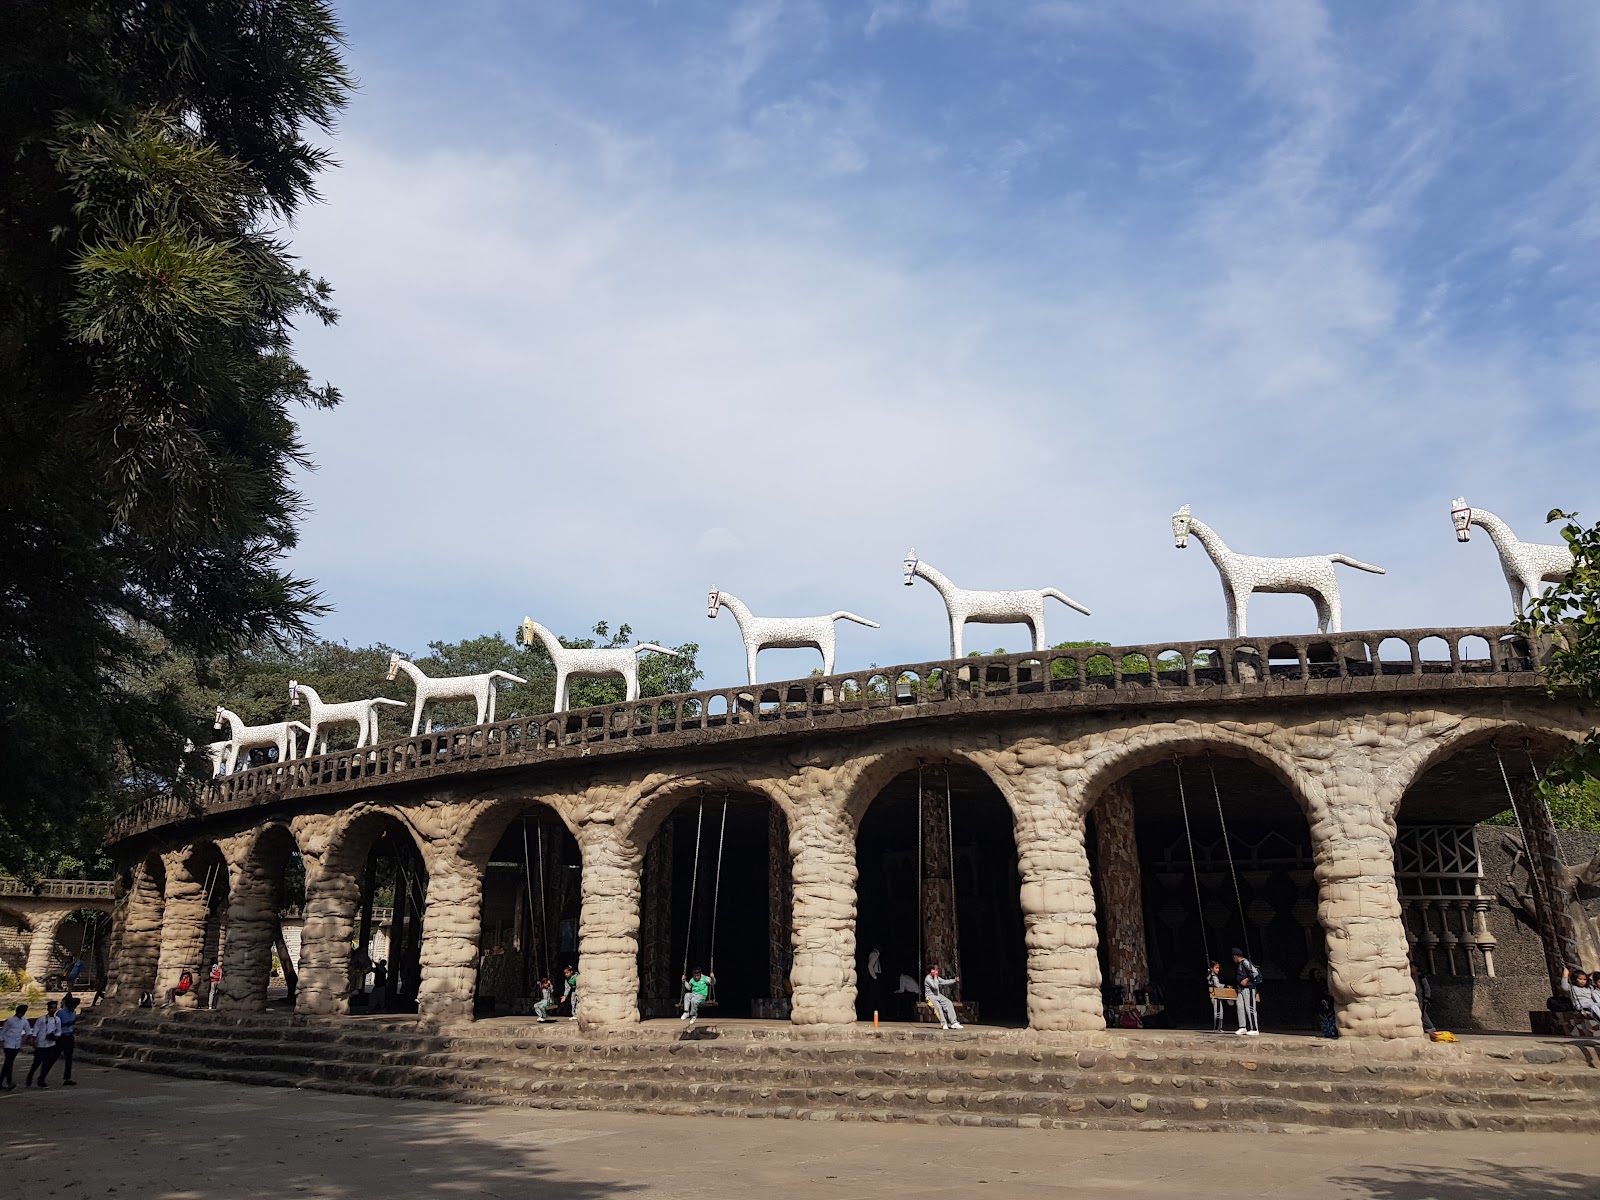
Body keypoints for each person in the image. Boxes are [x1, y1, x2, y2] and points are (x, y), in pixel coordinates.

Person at [25, 999, 60, 1087]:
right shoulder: (42, 1019)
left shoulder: (57, 1019)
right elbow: (35, 1029)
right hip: (41, 1043)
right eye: (51, 1008)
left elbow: (59, 1031)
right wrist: (33, 1039)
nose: (53, 1010)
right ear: (48, 1009)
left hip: (51, 1043)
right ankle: (30, 1076)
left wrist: (56, 1036)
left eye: (54, 1008)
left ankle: (42, 1079)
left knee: (47, 1062)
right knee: (37, 1062)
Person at [1231, 948, 1261, 1036]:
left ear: (1236, 957)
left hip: (1249, 988)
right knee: (1240, 1006)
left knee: (1250, 1008)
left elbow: (1255, 973)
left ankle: (1254, 1028)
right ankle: (1242, 1027)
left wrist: (1247, 979)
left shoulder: (1245, 962)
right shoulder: (1239, 965)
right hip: (1241, 988)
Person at [0, 1004, 30, 1090]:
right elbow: (3, 1031)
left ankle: (1, 1081)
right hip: (8, 1043)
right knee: (9, 1063)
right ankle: (9, 1081)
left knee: (8, 1063)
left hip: (17, 1044)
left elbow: (28, 1030)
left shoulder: (24, 1020)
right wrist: (1, 1041)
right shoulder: (10, 1020)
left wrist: (29, 1038)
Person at [923, 964, 962, 1030]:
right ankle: (944, 1023)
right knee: (938, 1007)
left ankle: (954, 1022)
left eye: (937, 970)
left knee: (948, 1002)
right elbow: (935, 986)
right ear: (931, 971)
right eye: (935, 970)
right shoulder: (928, 978)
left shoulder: (937, 978)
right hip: (930, 997)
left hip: (938, 995)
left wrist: (954, 980)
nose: (937, 971)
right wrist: (935, 976)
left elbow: (944, 982)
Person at [56, 995, 79, 1085]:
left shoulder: (73, 1013)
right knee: (53, 1057)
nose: (73, 1008)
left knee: (69, 1058)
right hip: (61, 1036)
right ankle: (43, 1076)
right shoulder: (60, 1013)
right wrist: (67, 1024)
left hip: (69, 1036)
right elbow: (56, 1026)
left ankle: (67, 1077)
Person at [1206, 961, 1232, 1033]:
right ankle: (1217, 1028)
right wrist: (1225, 986)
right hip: (1215, 995)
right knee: (1217, 1011)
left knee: (1220, 1011)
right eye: (1216, 968)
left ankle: (1219, 1027)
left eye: (1218, 968)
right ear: (1212, 968)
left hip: (1218, 995)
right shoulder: (1212, 976)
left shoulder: (1214, 976)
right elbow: (1217, 985)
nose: (1218, 970)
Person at [1411, 963, 1436, 1035]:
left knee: (1422, 1013)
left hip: (1421, 997)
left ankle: (1430, 1027)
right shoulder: (1412, 977)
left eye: (1412, 967)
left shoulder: (1420, 976)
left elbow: (1426, 987)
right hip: (1415, 996)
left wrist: (1427, 997)